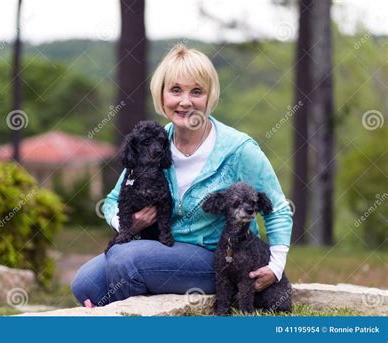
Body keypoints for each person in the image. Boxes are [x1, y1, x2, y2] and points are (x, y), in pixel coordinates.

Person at [71, 44, 292, 308]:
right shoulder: (153, 141)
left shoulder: (238, 149)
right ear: (162, 95)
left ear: (209, 96)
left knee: (124, 259)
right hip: (160, 247)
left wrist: (276, 266)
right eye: (176, 90)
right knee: (85, 284)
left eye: (196, 91)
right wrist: (129, 224)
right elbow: (112, 200)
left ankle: (134, 320)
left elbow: (278, 208)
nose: (185, 101)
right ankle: (135, 296)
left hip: (218, 257)